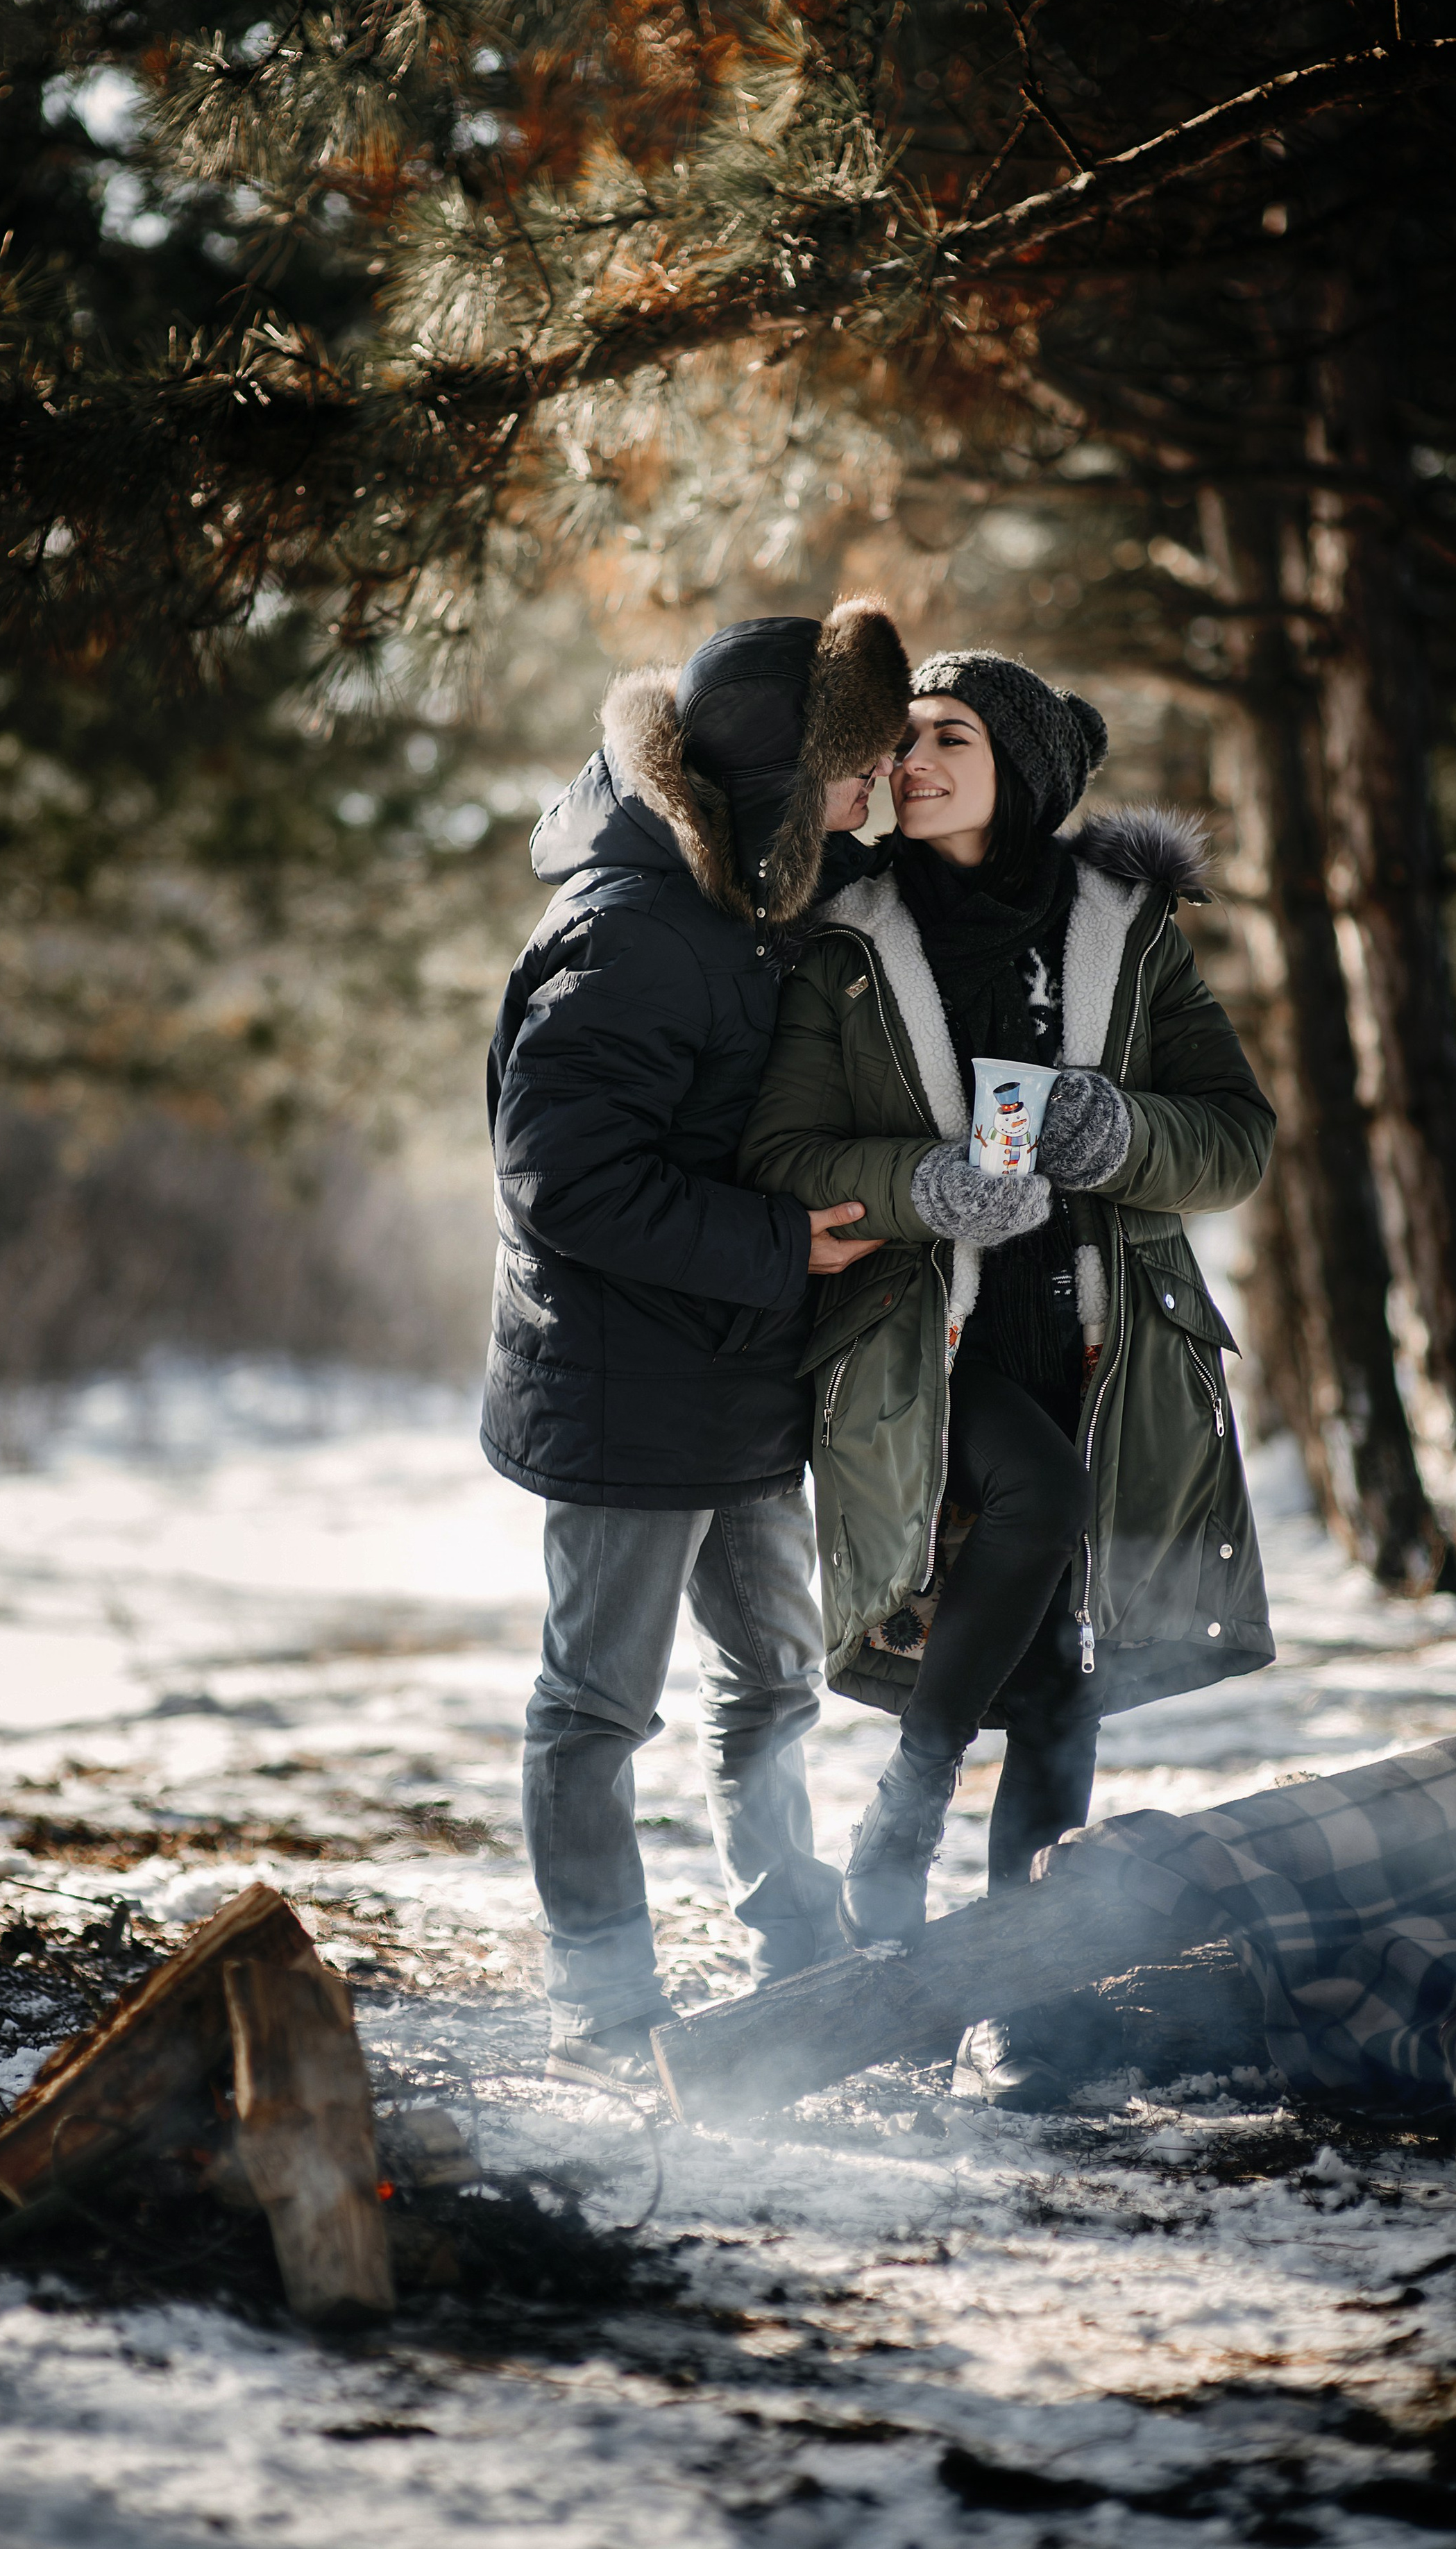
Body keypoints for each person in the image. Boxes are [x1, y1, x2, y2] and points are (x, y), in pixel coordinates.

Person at [740, 648, 1278, 2108]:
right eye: (902, 737)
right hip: (926, 1342)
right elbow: (781, 1155)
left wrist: (1118, 1135)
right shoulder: (839, 936)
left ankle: (1005, 1998)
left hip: (1101, 1345)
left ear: (1021, 768)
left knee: (1057, 1692)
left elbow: (1234, 1136)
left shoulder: (1127, 929)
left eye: (947, 735)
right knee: (1037, 1496)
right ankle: (903, 1816)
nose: (909, 759)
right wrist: (922, 1185)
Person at [484, 602, 912, 2093]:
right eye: (851, 777)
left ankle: (797, 1944)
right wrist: (781, 1246)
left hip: (735, 1375)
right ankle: (600, 2000)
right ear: (785, 779)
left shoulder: (740, 898)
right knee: (597, 1705)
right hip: (620, 1388)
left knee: (775, 1682)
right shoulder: (635, 930)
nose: (867, 807)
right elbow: (560, 1178)